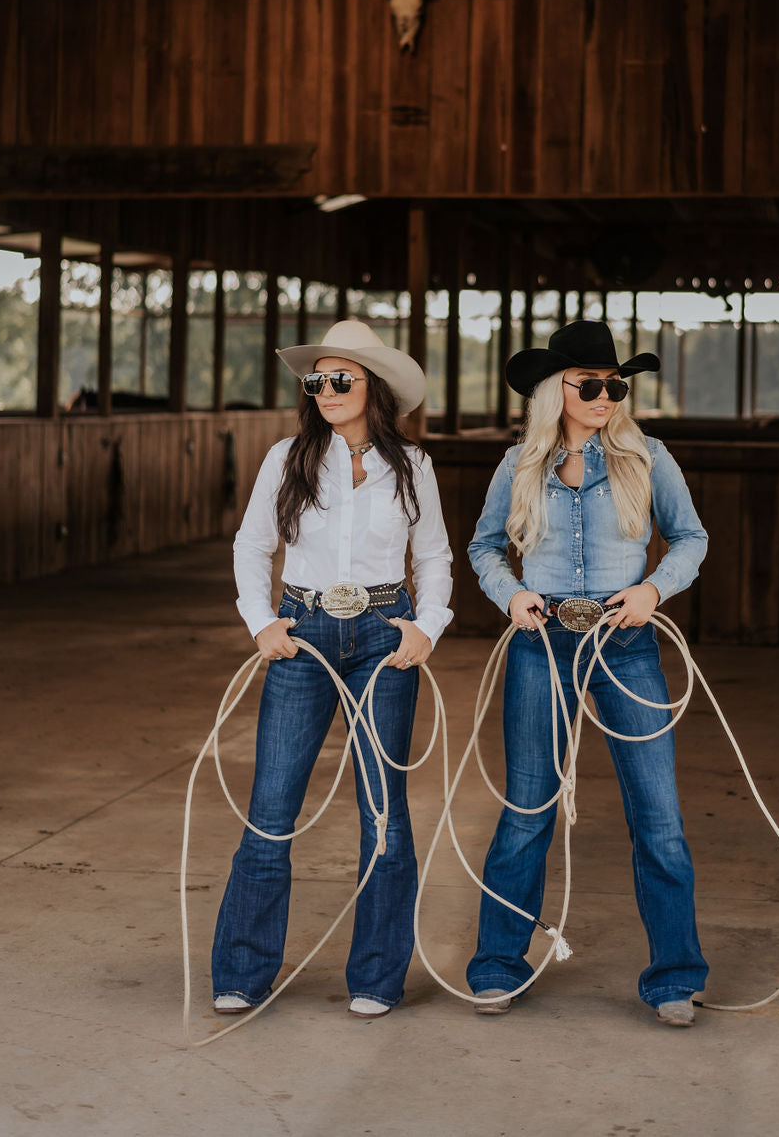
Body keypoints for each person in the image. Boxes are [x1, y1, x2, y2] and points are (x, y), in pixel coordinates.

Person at [466, 319, 709, 1027]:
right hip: (542, 645)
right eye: (592, 385)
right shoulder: (518, 465)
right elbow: (483, 547)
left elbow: (691, 536)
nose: (606, 396)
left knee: (657, 817)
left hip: (624, 643)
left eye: (615, 385)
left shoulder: (648, 456)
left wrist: (652, 590)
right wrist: (510, 594)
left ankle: (674, 976)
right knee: (526, 810)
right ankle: (497, 966)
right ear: (556, 390)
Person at [211, 319, 453, 1020]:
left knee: (385, 813)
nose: (324, 390)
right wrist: (261, 623)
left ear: (372, 387)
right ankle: (243, 973)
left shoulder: (411, 466)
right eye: (315, 380)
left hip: (385, 633)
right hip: (303, 632)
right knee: (271, 808)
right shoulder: (287, 458)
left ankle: (377, 977)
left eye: (340, 378)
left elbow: (433, 555)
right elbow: (252, 545)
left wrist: (426, 627)